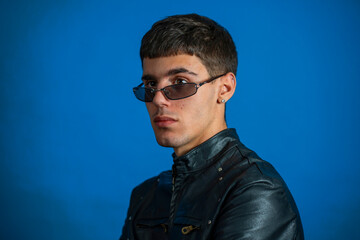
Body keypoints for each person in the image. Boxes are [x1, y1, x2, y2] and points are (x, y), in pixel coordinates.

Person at [120, 14, 304, 240]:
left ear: (225, 88)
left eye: (180, 82)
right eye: (150, 84)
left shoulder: (256, 191)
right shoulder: (145, 196)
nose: (158, 99)